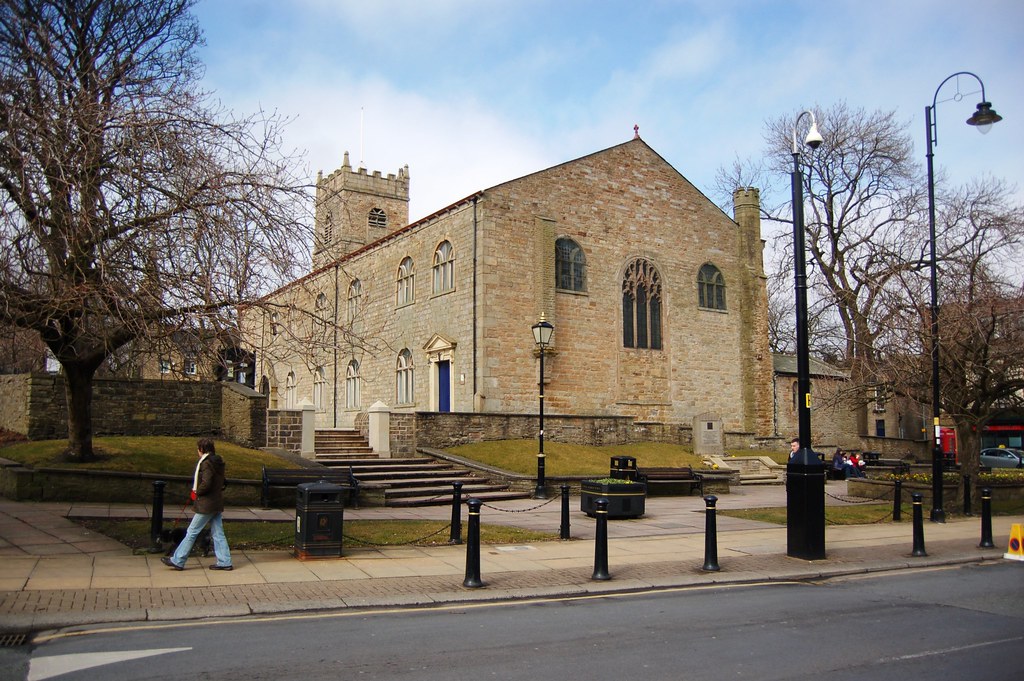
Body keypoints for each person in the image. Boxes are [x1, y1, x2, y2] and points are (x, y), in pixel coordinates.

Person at [162, 438, 233, 571]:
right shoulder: (218, 462)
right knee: (218, 533)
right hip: (216, 502)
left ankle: (178, 560)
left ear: (201, 449)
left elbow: (206, 482)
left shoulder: (206, 463)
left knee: (192, 531)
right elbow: (222, 482)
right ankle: (225, 561)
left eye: (198, 449)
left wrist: (197, 492)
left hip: (206, 504)